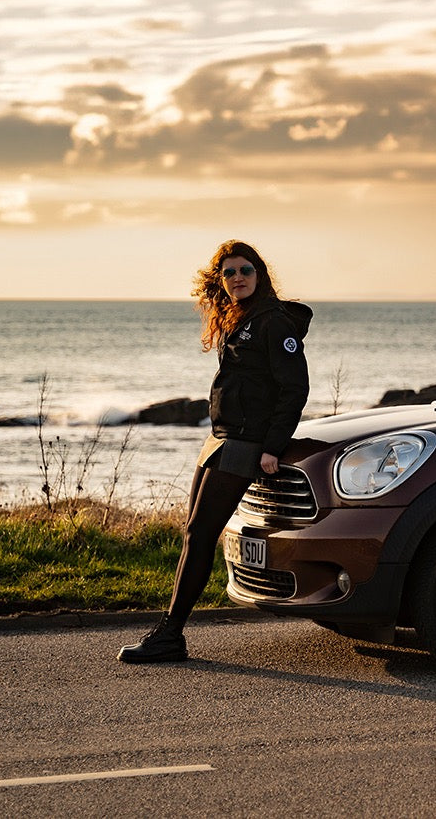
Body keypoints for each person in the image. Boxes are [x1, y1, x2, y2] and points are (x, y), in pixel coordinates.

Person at [117, 240, 311, 663]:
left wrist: (272, 447)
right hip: (221, 438)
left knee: (201, 534)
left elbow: (294, 389)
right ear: (219, 280)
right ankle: (170, 631)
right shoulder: (240, 319)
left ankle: (171, 634)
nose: (237, 278)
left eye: (245, 270)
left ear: (259, 274)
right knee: (193, 532)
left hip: (245, 444)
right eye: (228, 272)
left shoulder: (273, 322)